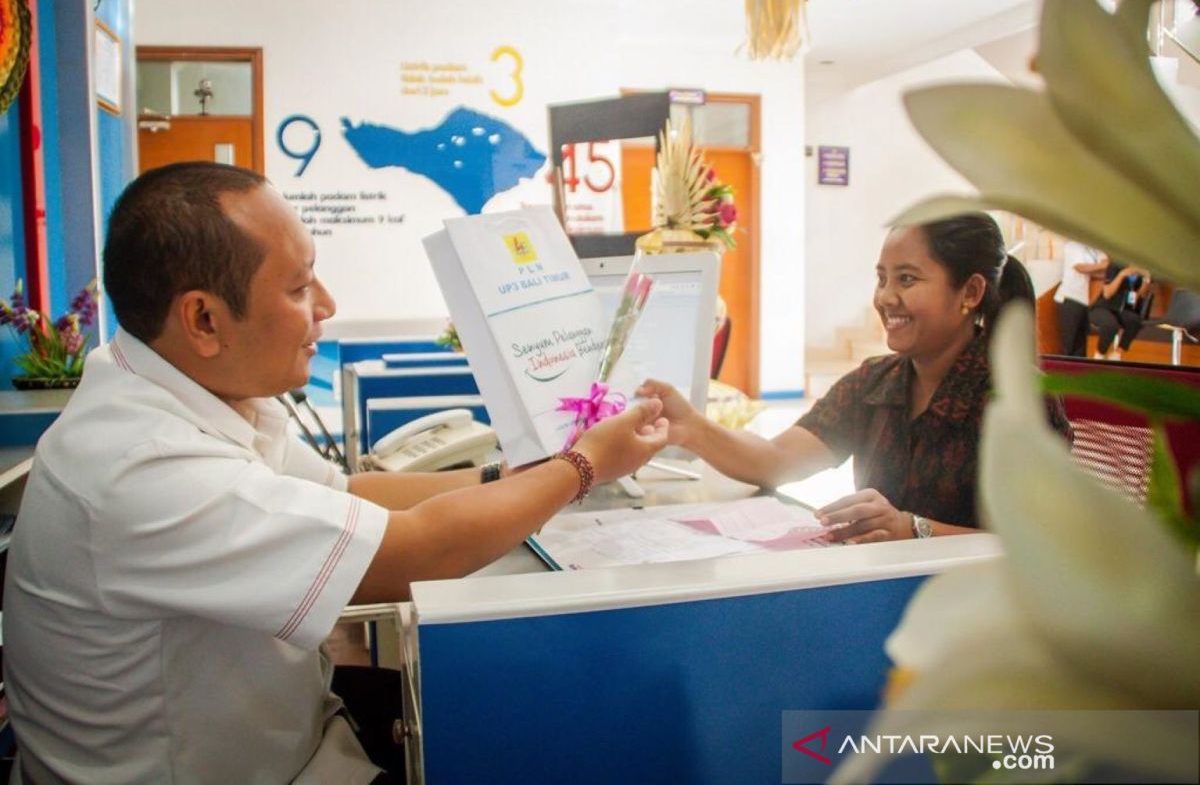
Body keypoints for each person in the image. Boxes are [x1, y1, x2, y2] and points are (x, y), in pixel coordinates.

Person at [1, 162, 669, 784]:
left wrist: (525, 470)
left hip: (291, 734)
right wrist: (585, 468)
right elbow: (414, 551)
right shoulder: (139, 466)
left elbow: (348, 492)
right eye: (298, 288)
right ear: (204, 318)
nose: (327, 303)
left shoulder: (180, 387)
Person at [639, 213, 1071, 544]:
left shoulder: (1017, 399)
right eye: (881, 278)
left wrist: (913, 529)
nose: (885, 298)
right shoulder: (875, 383)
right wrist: (690, 427)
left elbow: (1036, 548)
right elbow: (775, 461)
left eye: (907, 279)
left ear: (970, 293)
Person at [1088, 260, 1153, 360]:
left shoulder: (1140, 271)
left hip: (1121, 310)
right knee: (1111, 324)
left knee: (1134, 320)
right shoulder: (1115, 265)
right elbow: (1107, 294)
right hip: (1102, 307)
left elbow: (1141, 295)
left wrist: (1147, 279)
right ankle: (1099, 355)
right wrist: (1122, 274)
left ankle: (1117, 354)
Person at [1054, 240, 1109, 357]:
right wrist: (1102, 266)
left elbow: (1104, 263)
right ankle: (1066, 373)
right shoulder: (1073, 245)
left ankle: (1078, 373)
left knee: (1081, 346)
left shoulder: (1093, 248)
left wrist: (1102, 267)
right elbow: (1080, 268)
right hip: (1069, 298)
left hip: (1083, 300)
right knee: (1069, 344)